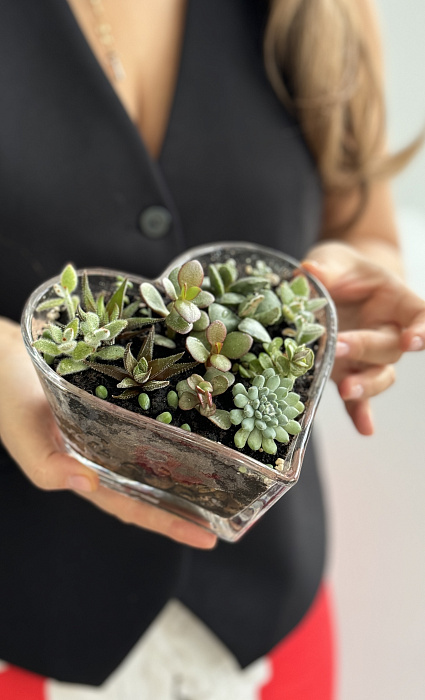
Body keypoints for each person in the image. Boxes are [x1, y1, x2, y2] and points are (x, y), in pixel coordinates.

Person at [0, 0, 424, 697]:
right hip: (25, 633)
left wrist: (347, 286)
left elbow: (361, 224)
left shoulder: (322, 11)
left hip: (270, 637)